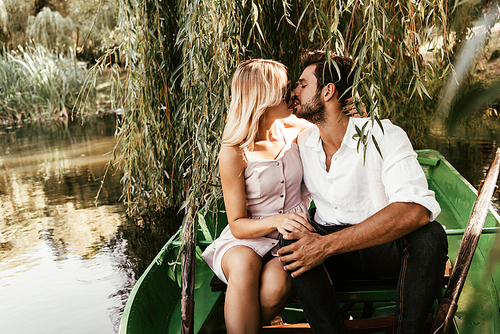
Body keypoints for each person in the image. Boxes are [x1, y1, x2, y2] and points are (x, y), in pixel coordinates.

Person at [277, 50, 449, 334]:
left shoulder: (383, 135)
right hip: (334, 259)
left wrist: (325, 246)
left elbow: (415, 210)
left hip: (384, 249)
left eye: (302, 84)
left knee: (430, 236)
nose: (294, 91)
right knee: (292, 241)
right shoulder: (301, 142)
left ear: (328, 91)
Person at [201, 59, 315, 334]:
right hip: (247, 238)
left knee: (273, 291)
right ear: (262, 97)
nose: (292, 95)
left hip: (290, 237)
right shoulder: (234, 152)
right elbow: (238, 224)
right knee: (244, 264)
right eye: (284, 89)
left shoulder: (296, 129)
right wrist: (279, 220)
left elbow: (335, 128)